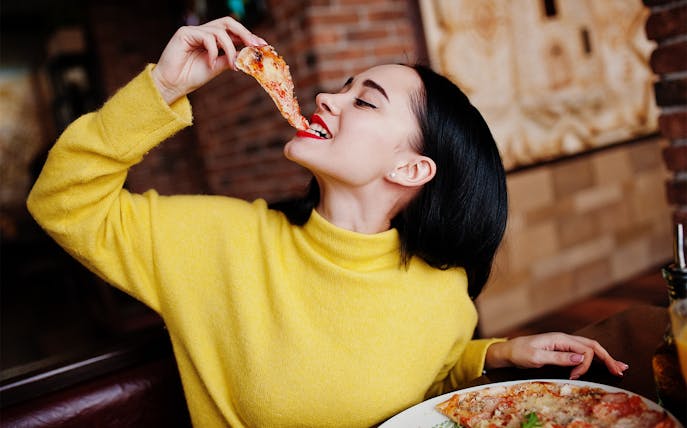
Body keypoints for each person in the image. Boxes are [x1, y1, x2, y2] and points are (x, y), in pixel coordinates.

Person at [27, 17, 628, 428]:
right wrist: (160, 88)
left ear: (413, 168)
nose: (326, 100)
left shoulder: (443, 293)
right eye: (342, 87)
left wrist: (492, 356)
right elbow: (62, 203)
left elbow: (418, 367)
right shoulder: (220, 242)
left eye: (363, 100)